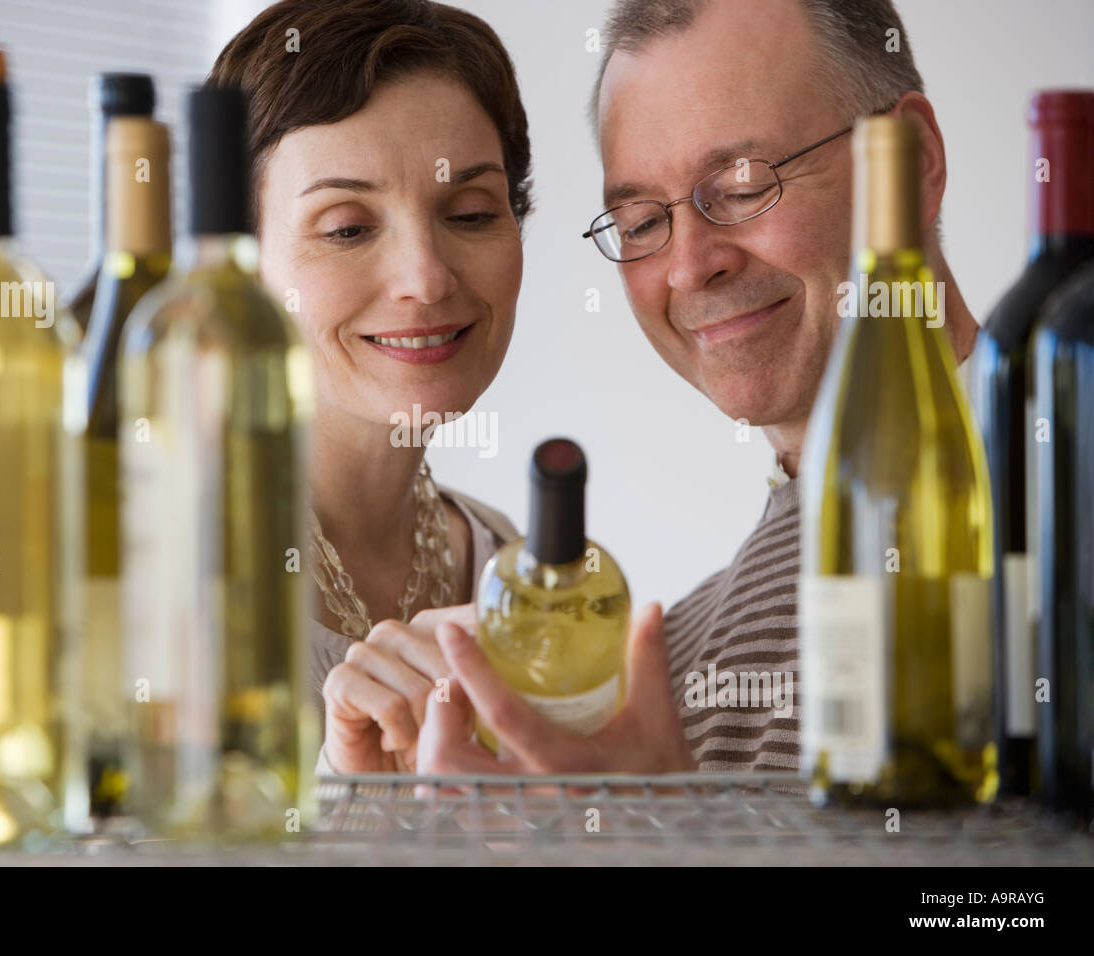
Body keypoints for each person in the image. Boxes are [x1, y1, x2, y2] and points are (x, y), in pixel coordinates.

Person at [412, 0, 981, 775]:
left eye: (744, 185)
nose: (688, 267)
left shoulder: (1061, 512)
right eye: (643, 221)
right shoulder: (667, 670)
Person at [204, 0, 532, 769]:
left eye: (473, 212)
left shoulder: (505, 563)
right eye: (348, 227)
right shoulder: (165, 566)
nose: (426, 277)